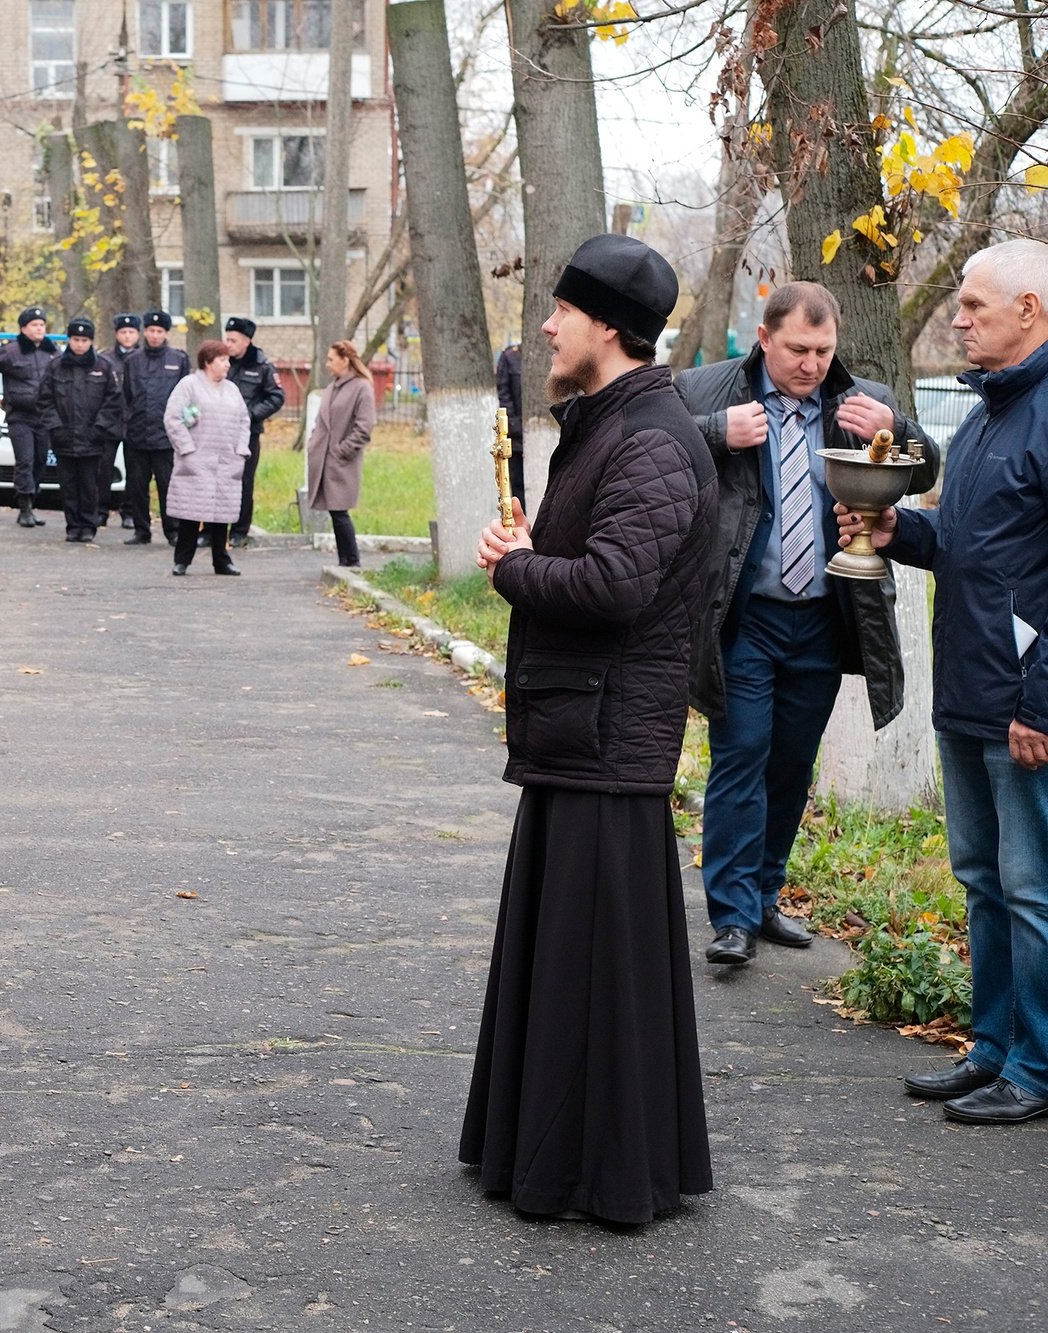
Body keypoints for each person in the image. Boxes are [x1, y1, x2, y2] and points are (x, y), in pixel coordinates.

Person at [463, 233, 717, 1223]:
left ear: (605, 325)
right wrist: (528, 548)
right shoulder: (611, 422)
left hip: (609, 743)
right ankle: (552, 1156)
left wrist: (513, 567)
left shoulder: (648, 436)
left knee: (593, 971)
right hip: (582, 736)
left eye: (559, 310)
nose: (544, 325)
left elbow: (614, 587)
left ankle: (599, 1172)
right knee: (567, 962)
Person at [677, 281, 939, 967]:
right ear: (765, 339)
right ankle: (730, 916)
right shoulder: (709, 390)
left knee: (793, 762)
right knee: (743, 753)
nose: (813, 363)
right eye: (798, 348)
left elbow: (925, 470)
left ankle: (764, 896)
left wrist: (896, 428)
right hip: (745, 617)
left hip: (824, 617)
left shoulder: (857, 402)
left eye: (824, 350)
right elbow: (650, 448)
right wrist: (713, 433)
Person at [851, 239, 1048, 1125]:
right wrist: (899, 531)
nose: (958, 319)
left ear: (1030, 312)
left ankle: (1038, 1069)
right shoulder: (984, 418)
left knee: (1033, 889)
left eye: (973, 306)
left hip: (1021, 708)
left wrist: (1040, 702)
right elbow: (976, 553)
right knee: (981, 878)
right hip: (968, 694)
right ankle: (996, 1047)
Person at [162, 340, 251, 576]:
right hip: (196, 459)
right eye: (223, 360)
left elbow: (244, 421)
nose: (227, 365)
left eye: (228, 360)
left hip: (226, 462)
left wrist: (241, 450)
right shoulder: (189, 386)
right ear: (208, 362)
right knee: (191, 512)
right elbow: (173, 419)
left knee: (222, 514)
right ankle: (182, 559)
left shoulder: (232, 389)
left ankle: (221, 560)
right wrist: (187, 449)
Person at [41, 316, 122, 544]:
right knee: (68, 485)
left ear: (91, 341)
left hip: (93, 439)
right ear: (69, 340)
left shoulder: (103, 367)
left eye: (84, 340)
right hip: (64, 438)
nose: (79, 344)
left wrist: (100, 428)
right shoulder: (55, 366)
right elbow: (45, 400)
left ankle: (88, 525)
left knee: (89, 484)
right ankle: (72, 525)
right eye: (76, 339)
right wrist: (55, 428)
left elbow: (113, 401)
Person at [0, 306, 57, 528]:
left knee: (40, 461)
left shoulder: (52, 352)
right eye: (34, 325)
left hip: (44, 416)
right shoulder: (11, 351)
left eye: (42, 325)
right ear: (23, 328)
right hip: (20, 416)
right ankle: (24, 508)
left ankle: (32, 502)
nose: (40, 328)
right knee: (25, 460)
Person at [120, 310, 190, 546]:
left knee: (168, 485)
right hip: (137, 435)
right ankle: (142, 530)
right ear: (144, 332)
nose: (155, 335)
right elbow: (126, 396)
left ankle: (173, 530)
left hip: (166, 437)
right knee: (137, 486)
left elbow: (186, 398)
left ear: (166, 333)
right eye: (151, 331)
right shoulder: (132, 360)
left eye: (159, 331)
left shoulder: (178, 360)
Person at [306, 339, 376, 568]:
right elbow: (321, 421)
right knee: (335, 512)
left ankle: (352, 562)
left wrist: (341, 451)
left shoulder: (361, 387)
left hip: (341, 460)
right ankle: (344, 562)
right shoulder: (333, 386)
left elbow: (365, 427)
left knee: (339, 511)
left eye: (331, 359)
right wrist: (313, 443)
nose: (327, 364)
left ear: (345, 360)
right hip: (325, 459)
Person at [221, 316, 285, 548]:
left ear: (247, 341)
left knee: (243, 481)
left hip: (247, 434)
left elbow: (277, 397)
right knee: (217, 481)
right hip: (219, 432)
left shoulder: (261, 365)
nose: (228, 344)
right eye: (226, 339)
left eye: (234, 340)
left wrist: (250, 414)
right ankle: (212, 530)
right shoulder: (221, 361)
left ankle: (239, 530)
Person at [105, 313, 141, 530]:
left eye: (131, 332)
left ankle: (128, 511)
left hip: (134, 421)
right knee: (103, 468)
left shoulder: (143, 359)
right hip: (110, 419)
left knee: (133, 470)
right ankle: (100, 510)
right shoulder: (106, 358)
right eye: (123, 332)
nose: (127, 336)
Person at [496, 340, 526, 507]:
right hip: (515, 438)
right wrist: (515, 426)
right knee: (517, 488)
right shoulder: (510, 357)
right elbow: (503, 393)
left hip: (537, 433)